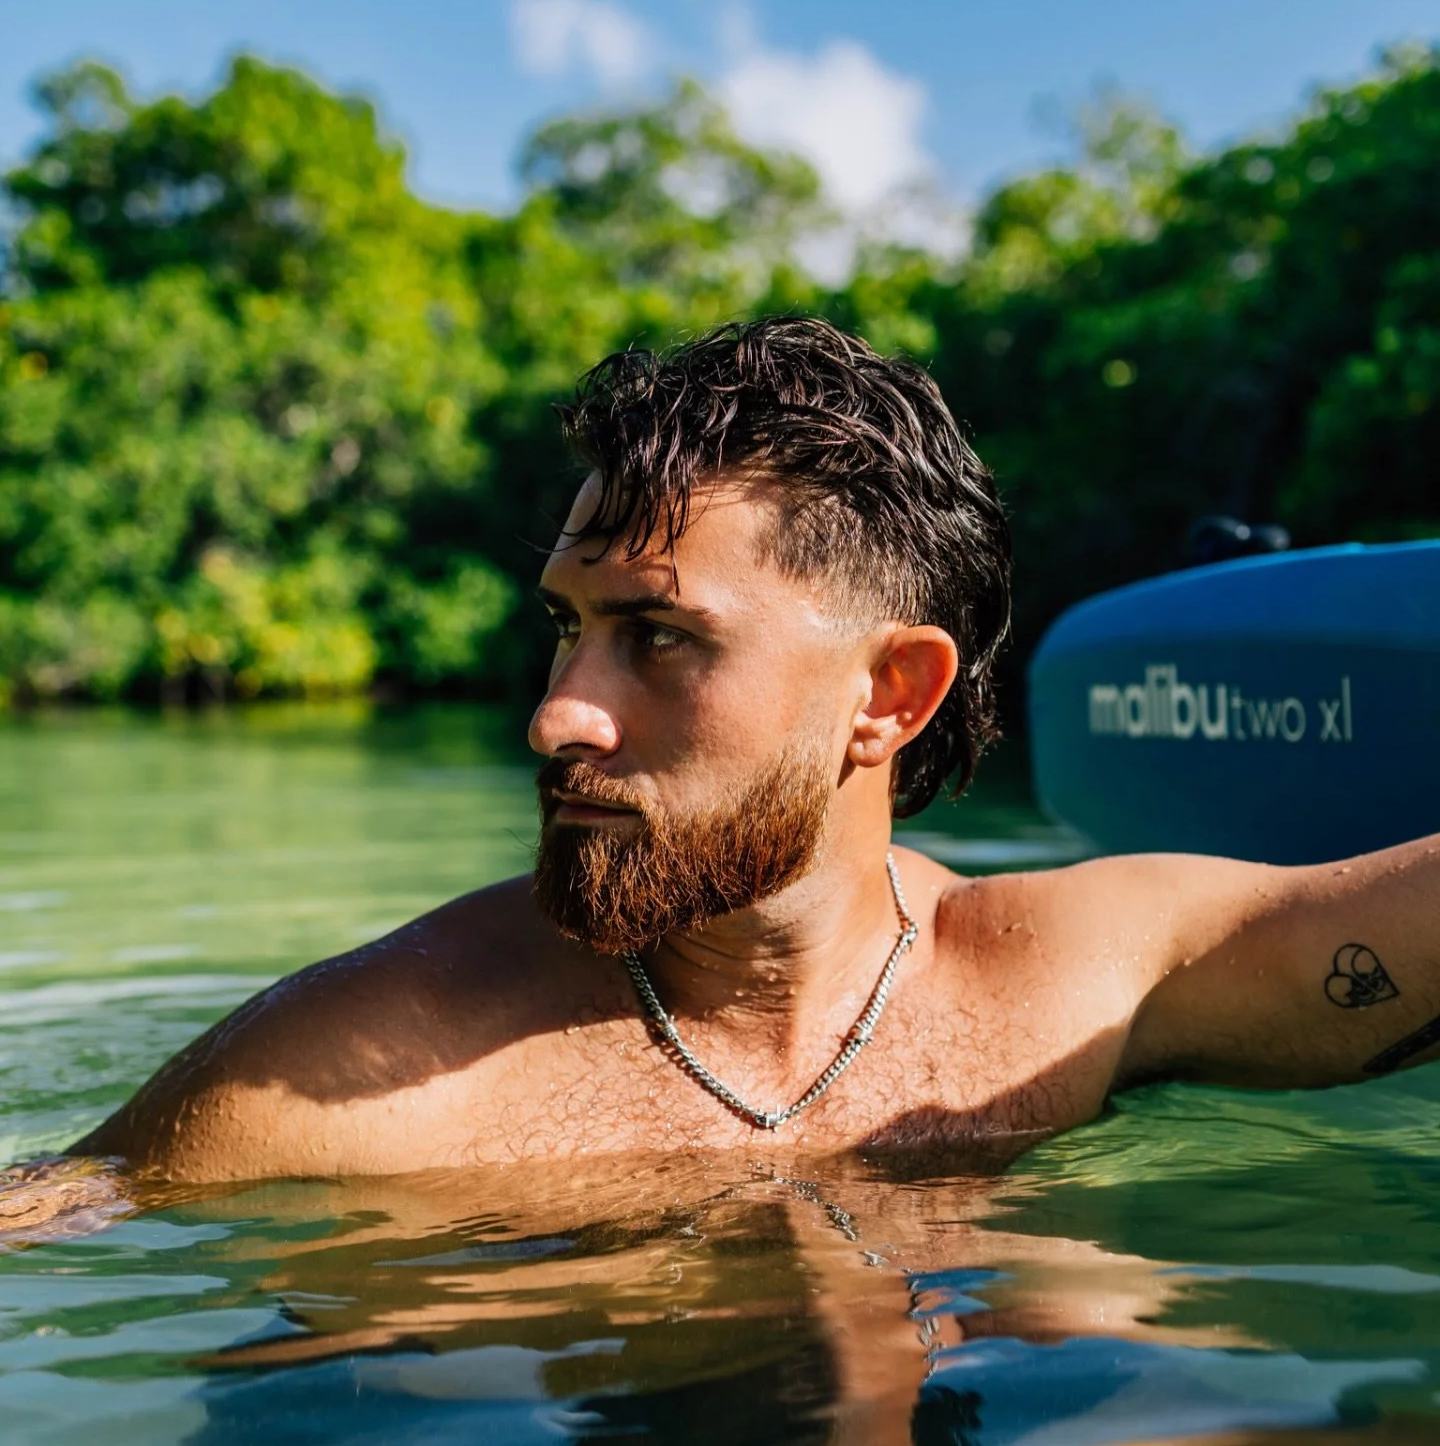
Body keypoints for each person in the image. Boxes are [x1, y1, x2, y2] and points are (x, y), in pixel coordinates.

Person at [72, 317, 1440, 1182]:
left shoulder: (1073, 977)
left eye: (659, 637)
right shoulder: (345, 1074)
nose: (557, 714)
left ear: (889, 696)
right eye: (567, 628)